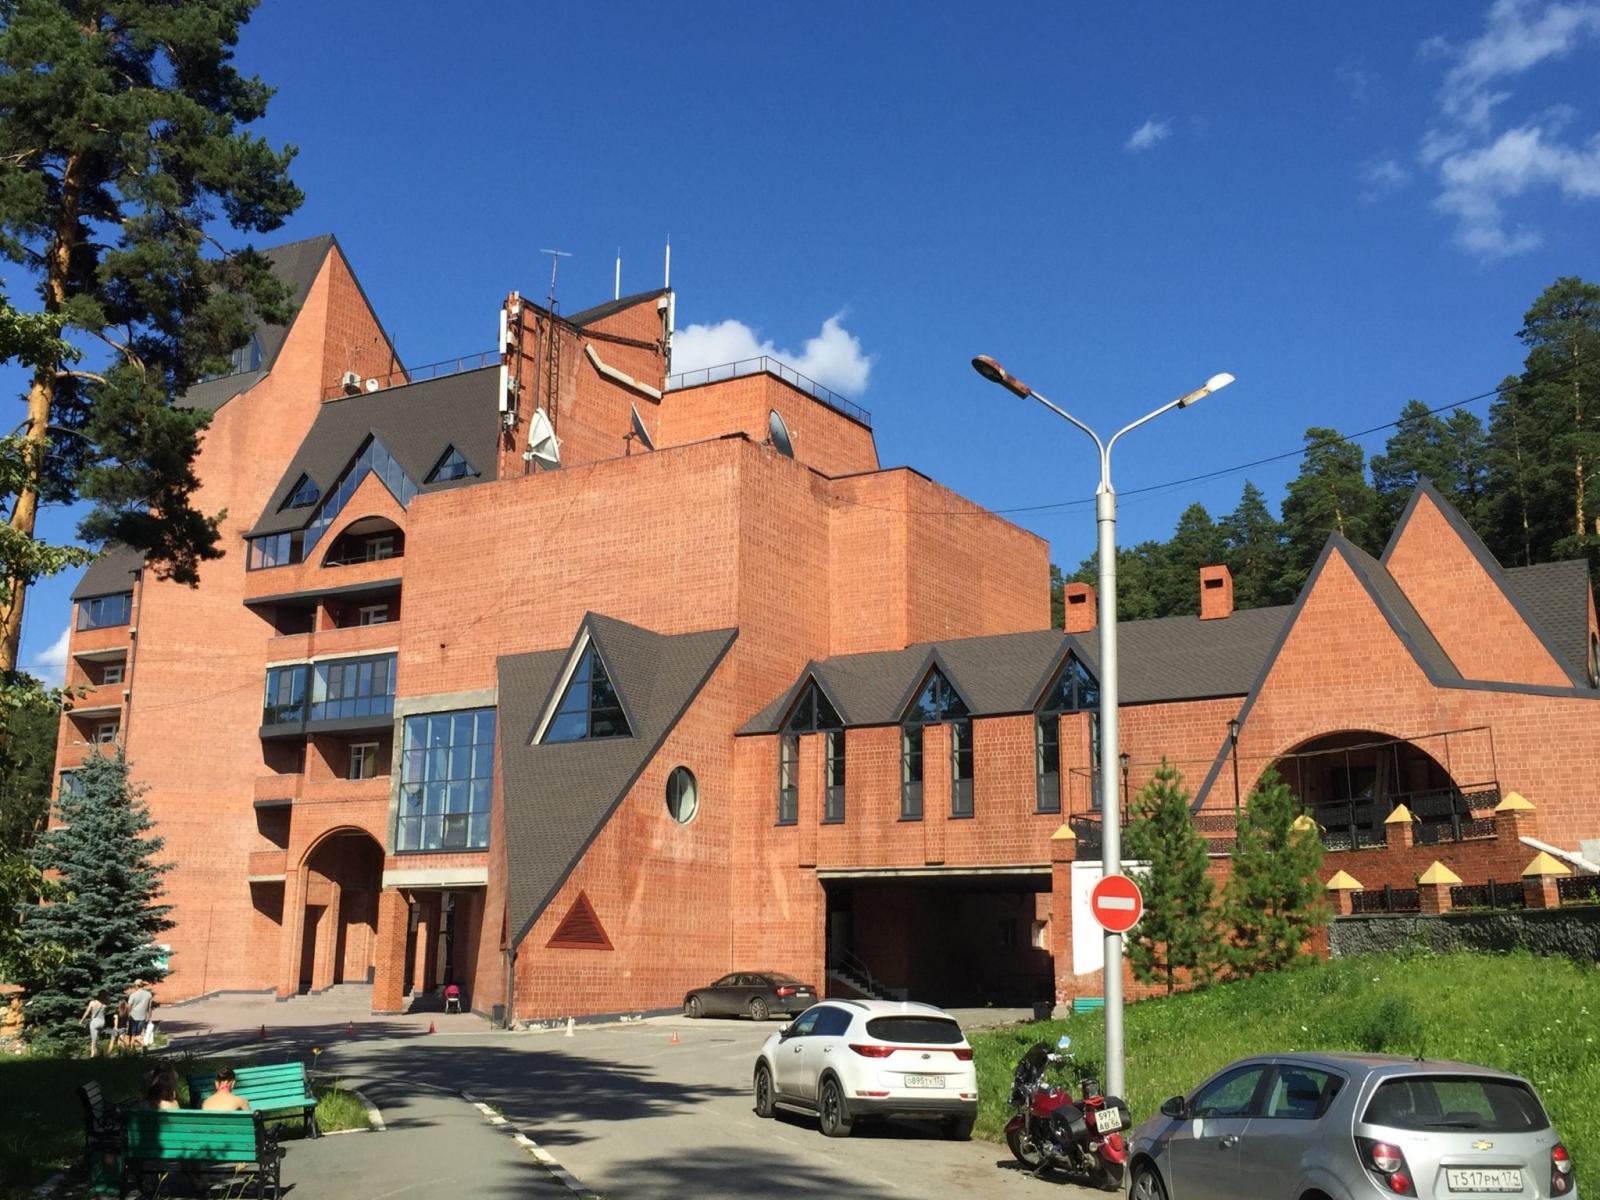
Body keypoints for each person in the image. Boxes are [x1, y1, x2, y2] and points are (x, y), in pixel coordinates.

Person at [126, 980, 155, 1049]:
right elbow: (149, 1007)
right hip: (143, 1017)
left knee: (132, 1034)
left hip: (133, 1017)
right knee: (139, 1034)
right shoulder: (149, 995)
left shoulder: (133, 995)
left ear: (136, 986)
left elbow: (129, 1007)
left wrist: (127, 1016)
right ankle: (141, 1048)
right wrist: (150, 1018)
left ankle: (134, 1048)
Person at [81, 993, 107, 1058]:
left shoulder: (92, 1003)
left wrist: (81, 1020)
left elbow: (87, 1012)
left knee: (93, 1040)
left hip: (94, 1022)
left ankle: (93, 1055)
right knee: (96, 1038)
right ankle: (96, 1052)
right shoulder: (104, 1004)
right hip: (102, 1022)